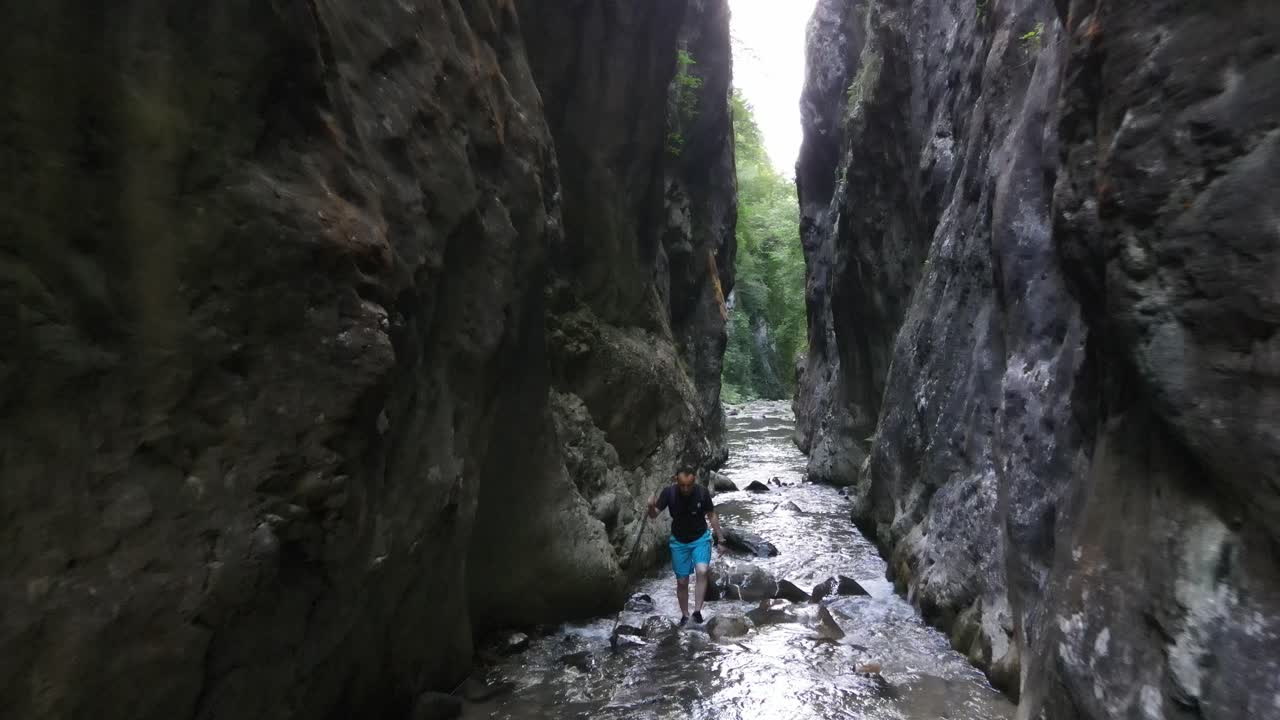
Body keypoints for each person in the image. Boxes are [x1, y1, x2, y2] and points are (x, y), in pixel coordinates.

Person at [648, 466, 725, 626]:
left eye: (689, 485)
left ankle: (697, 612)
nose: (685, 489)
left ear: (694, 481)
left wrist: (721, 538)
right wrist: (650, 505)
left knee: (702, 571)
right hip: (679, 541)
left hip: (700, 539)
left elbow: (711, 515)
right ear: (676, 480)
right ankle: (684, 615)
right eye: (682, 485)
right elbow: (654, 514)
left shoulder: (702, 493)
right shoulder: (668, 493)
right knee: (682, 582)